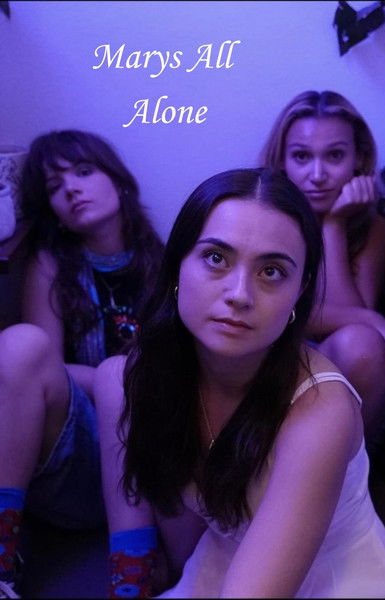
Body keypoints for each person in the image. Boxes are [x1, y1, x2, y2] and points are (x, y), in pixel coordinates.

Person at [94, 168, 385, 599]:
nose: (239, 294)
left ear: (299, 292)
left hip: (340, 583)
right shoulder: (157, 373)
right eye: (216, 258)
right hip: (224, 562)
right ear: (178, 265)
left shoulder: (321, 407)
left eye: (271, 271)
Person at [0, 129, 164, 597]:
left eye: (84, 171)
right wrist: (114, 380)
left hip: (146, 459)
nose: (70, 188)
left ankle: (132, 579)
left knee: (125, 376)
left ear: (119, 180)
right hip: (75, 459)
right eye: (54, 186)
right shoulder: (50, 264)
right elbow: (45, 367)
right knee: (21, 344)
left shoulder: (166, 262)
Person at [261, 90, 385, 446]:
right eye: (302, 156)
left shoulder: (373, 227)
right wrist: (374, 320)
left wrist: (334, 226)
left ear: (359, 159)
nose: (318, 174)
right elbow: (273, 314)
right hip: (269, 360)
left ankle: (342, 472)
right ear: (282, 161)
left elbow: (352, 321)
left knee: (362, 344)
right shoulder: (262, 217)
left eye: (335, 155)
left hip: (340, 374)